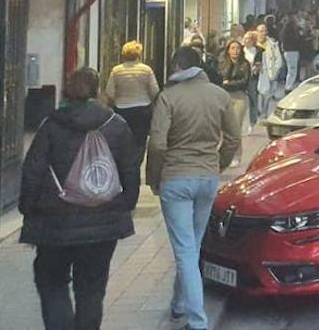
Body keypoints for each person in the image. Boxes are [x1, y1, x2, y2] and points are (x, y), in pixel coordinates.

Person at [19, 67, 140, 330]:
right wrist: (125, 206)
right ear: (97, 91)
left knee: (52, 283)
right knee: (92, 288)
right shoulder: (116, 125)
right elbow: (130, 170)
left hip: (54, 223)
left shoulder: (51, 125)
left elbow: (33, 170)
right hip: (103, 221)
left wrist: (28, 209)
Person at [147, 45, 240, 330]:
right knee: (192, 246)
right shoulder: (219, 95)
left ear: (178, 67)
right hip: (207, 178)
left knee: (185, 249)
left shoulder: (168, 97)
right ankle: (178, 305)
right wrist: (218, 165)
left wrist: (154, 177)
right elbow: (233, 140)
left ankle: (197, 321)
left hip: (176, 177)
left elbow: (158, 143)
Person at [103, 40, 159, 170]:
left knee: (123, 140)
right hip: (142, 110)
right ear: (139, 54)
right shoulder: (146, 70)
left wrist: (118, 97)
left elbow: (109, 92)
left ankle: (124, 164)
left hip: (122, 109)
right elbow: (155, 91)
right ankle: (136, 165)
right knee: (140, 141)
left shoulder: (116, 71)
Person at [217, 40, 251, 166]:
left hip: (239, 97)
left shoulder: (245, 64)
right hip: (224, 96)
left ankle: (237, 155)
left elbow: (244, 82)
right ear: (228, 50)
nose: (235, 51)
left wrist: (229, 83)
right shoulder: (222, 63)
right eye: (232, 48)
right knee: (223, 127)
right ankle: (224, 155)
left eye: (237, 48)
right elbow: (220, 78)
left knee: (235, 127)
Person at [255, 28, 286, 122]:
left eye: (264, 31)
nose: (263, 33)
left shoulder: (272, 44)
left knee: (267, 94)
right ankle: (257, 111)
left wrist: (276, 70)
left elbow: (278, 58)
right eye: (260, 31)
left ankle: (264, 114)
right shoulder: (253, 43)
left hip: (269, 72)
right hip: (255, 73)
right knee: (256, 94)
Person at [241, 30, 261, 127]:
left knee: (253, 99)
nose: (245, 40)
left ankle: (252, 121)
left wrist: (256, 67)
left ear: (253, 40)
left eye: (247, 38)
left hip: (252, 78)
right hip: (240, 78)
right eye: (244, 38)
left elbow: (260, 63)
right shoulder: (240, 49)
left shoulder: (258, 51)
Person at [280, 16, 303, 91]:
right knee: (292, 70)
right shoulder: (292, 34)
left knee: (291, 70)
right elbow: (297, 40)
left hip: (287, 52)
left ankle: (289, 85)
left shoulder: (284, 33)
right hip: (292, 52)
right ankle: (288, 87)